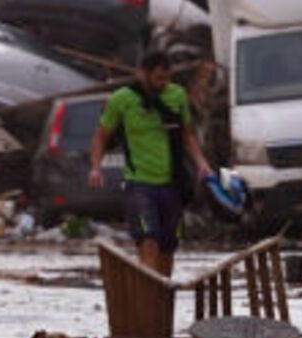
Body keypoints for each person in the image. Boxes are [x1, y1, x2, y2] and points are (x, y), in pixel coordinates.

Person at [88, 51, 214, 277]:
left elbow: (188, 135)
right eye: (158, 79)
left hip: (172, 183)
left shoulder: (177, 95)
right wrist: (96, 167)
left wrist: (201, 163)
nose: (163, 84)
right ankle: (149, 290)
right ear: (142, 74)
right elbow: (101, 136)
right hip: (139, 184)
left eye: (167, 78)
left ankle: (163, 292)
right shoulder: (121, 99)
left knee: (168, 246)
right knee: (148, 239)